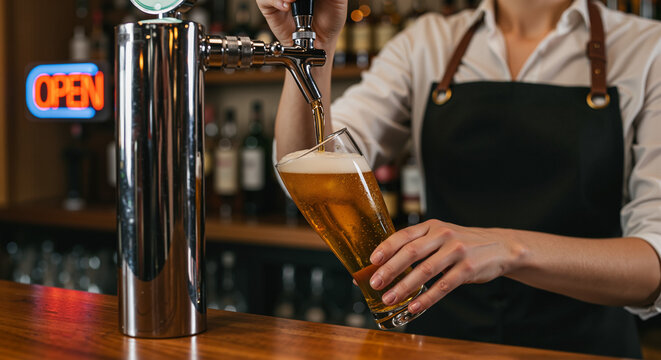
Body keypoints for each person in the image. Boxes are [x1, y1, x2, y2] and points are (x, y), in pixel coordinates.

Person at [257, 0, 661, 357]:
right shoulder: (426, 41)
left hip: (585, 346)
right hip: (440, 343)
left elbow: (652, 266)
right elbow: (312, 167)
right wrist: (312, 49)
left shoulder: (646, 48)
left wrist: (509, 249)